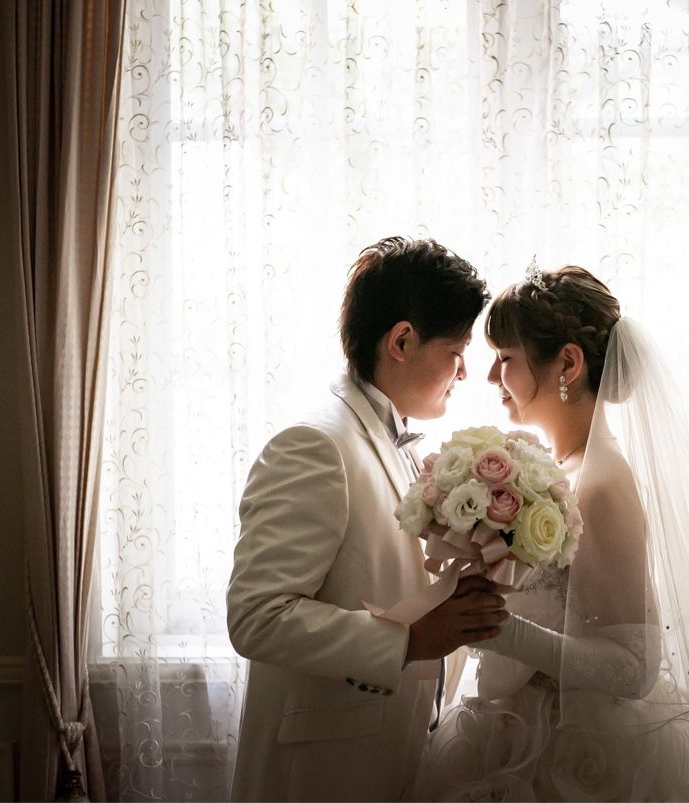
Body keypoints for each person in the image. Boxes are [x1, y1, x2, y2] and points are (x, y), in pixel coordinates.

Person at [411, 265, 689, 801]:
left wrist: (501, 632)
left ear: (568, 364)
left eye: (504, 358)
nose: (488, 377)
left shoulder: (603, 484)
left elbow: (635, 668)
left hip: (580, 752)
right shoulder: (557, 471)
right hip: (518, 727)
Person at [227, 236, 508, 802]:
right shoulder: (316, 444)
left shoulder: (394, 441)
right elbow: (256, 615)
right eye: (457, 351)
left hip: (396, 755)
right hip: (323, 774)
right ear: (401, 341)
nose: (463, 373)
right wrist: (410, 640)